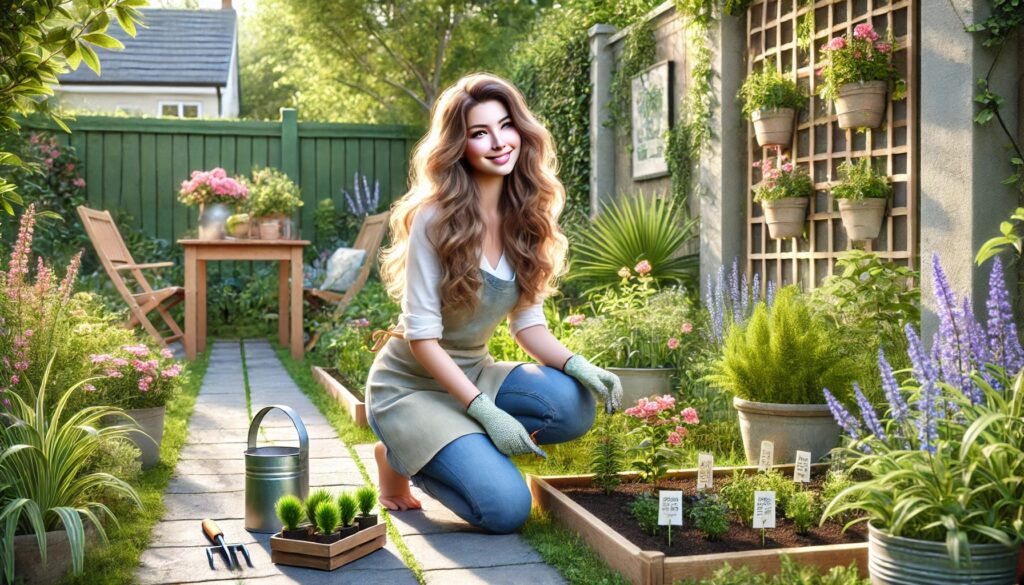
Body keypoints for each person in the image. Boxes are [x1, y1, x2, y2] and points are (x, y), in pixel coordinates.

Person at [365, 72, 622, 535]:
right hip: (409, 385)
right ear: (458, 146)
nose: (499, 142)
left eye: (505, 126)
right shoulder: (433, 218)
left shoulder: (527, 215)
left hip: (473, 370)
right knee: (507, 511)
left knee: (573, 403)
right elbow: (422, 339)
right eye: (479, 132)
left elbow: (527, 326)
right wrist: (486, 411)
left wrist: (577, 364)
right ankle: (398, 452)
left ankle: (458, 444)